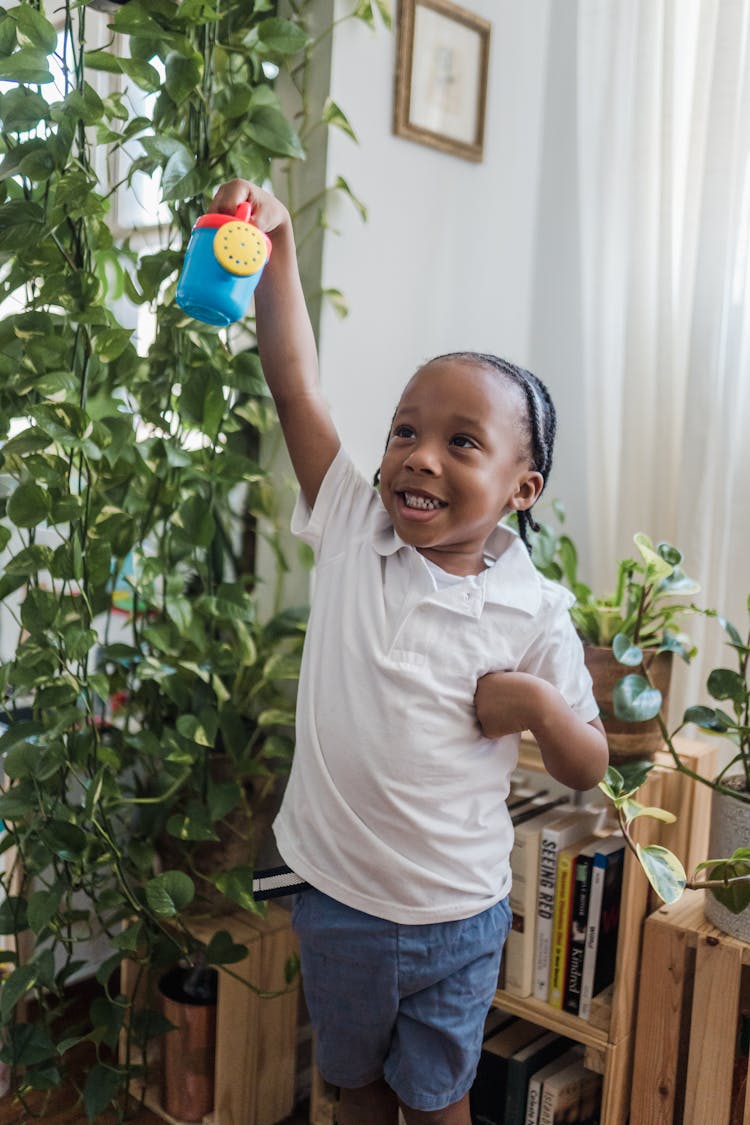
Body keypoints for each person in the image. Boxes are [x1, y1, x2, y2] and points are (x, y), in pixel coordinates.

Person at [209, 180, 609, 1125]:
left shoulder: (534, 609)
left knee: (437, 1104)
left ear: (523, 487)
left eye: (460, 442)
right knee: (356, 1093)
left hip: (456, 919)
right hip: (337, 900)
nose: (417, 455)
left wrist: (536, 707)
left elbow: (588, 766)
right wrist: (279, 246)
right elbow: (295, 381)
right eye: (404, 431)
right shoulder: (354, 524)